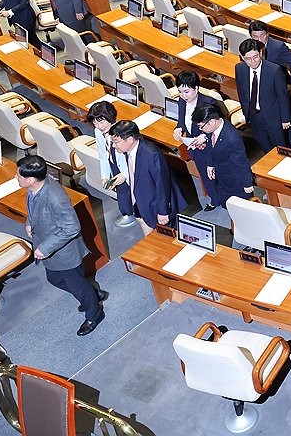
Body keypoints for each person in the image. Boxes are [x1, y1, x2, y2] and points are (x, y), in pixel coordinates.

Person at [17, 154, 107, 335]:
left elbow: (72, 227)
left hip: (63, 252)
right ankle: (92, 293)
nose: (16, 178)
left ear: (31, 179)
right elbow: (34, 209)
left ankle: (94, 313)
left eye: (19, 176)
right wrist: (29, 222)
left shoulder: (54, 197)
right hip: (50, 250)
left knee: (77, 286)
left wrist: (45, 247)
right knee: (55, 279)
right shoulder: (34, 189)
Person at [109, 120, 187, 234]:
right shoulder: (129, 151)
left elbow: (162, 185)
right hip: (142, 201)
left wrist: (163, 211)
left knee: (165, 239)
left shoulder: (152, 154)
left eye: (116, 142)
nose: (113, 146)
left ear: (130, 139)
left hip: (157, 207)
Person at [189, 102, 254, 209]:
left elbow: (242, 162)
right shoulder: (212, 129)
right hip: (222, 176)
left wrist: (247, 183)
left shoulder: (232, 138)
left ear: (211, 122)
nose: (201, 130)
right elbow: (211, 147)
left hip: (235, 181)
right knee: (227, 205)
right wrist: (210, 165)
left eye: (201, 127)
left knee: (243, 210)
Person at [236, 38, 291, 154]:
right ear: (242, 58)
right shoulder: (240, 69)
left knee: (281, 149)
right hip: (254, 117)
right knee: (265, 147)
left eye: (255, 56)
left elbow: (282, 96)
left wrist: (286, 119)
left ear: (261, 53)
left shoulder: (274, 70)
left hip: (273, 117)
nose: (253, 61)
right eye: (248, 59)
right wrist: (246, 113)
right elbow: (242, 92)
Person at [86, 101, 138, 227]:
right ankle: (127, 212)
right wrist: (104, 176)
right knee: (121, 191)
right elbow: (103, 155)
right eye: (95, 123)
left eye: (101, 121)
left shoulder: (122, 132)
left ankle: (135, 212)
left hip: (128, 166)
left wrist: (125, 175)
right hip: (113, 162)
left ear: (110, 117)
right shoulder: (98, 132)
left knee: (132, 189)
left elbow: (135, 158)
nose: (99, 126)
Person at [172, 70, 219, 210]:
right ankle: (214, 200)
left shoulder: (209, 102)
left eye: (186, 92)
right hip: (194, 146)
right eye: (180, 92)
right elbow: (181, 120)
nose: (183, 96)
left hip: (210, 145)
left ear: (196, 88)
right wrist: (179, 128)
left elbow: (218, 126)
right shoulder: (181, 101)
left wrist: (204, 136)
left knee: (216, 174)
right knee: (205, 176)